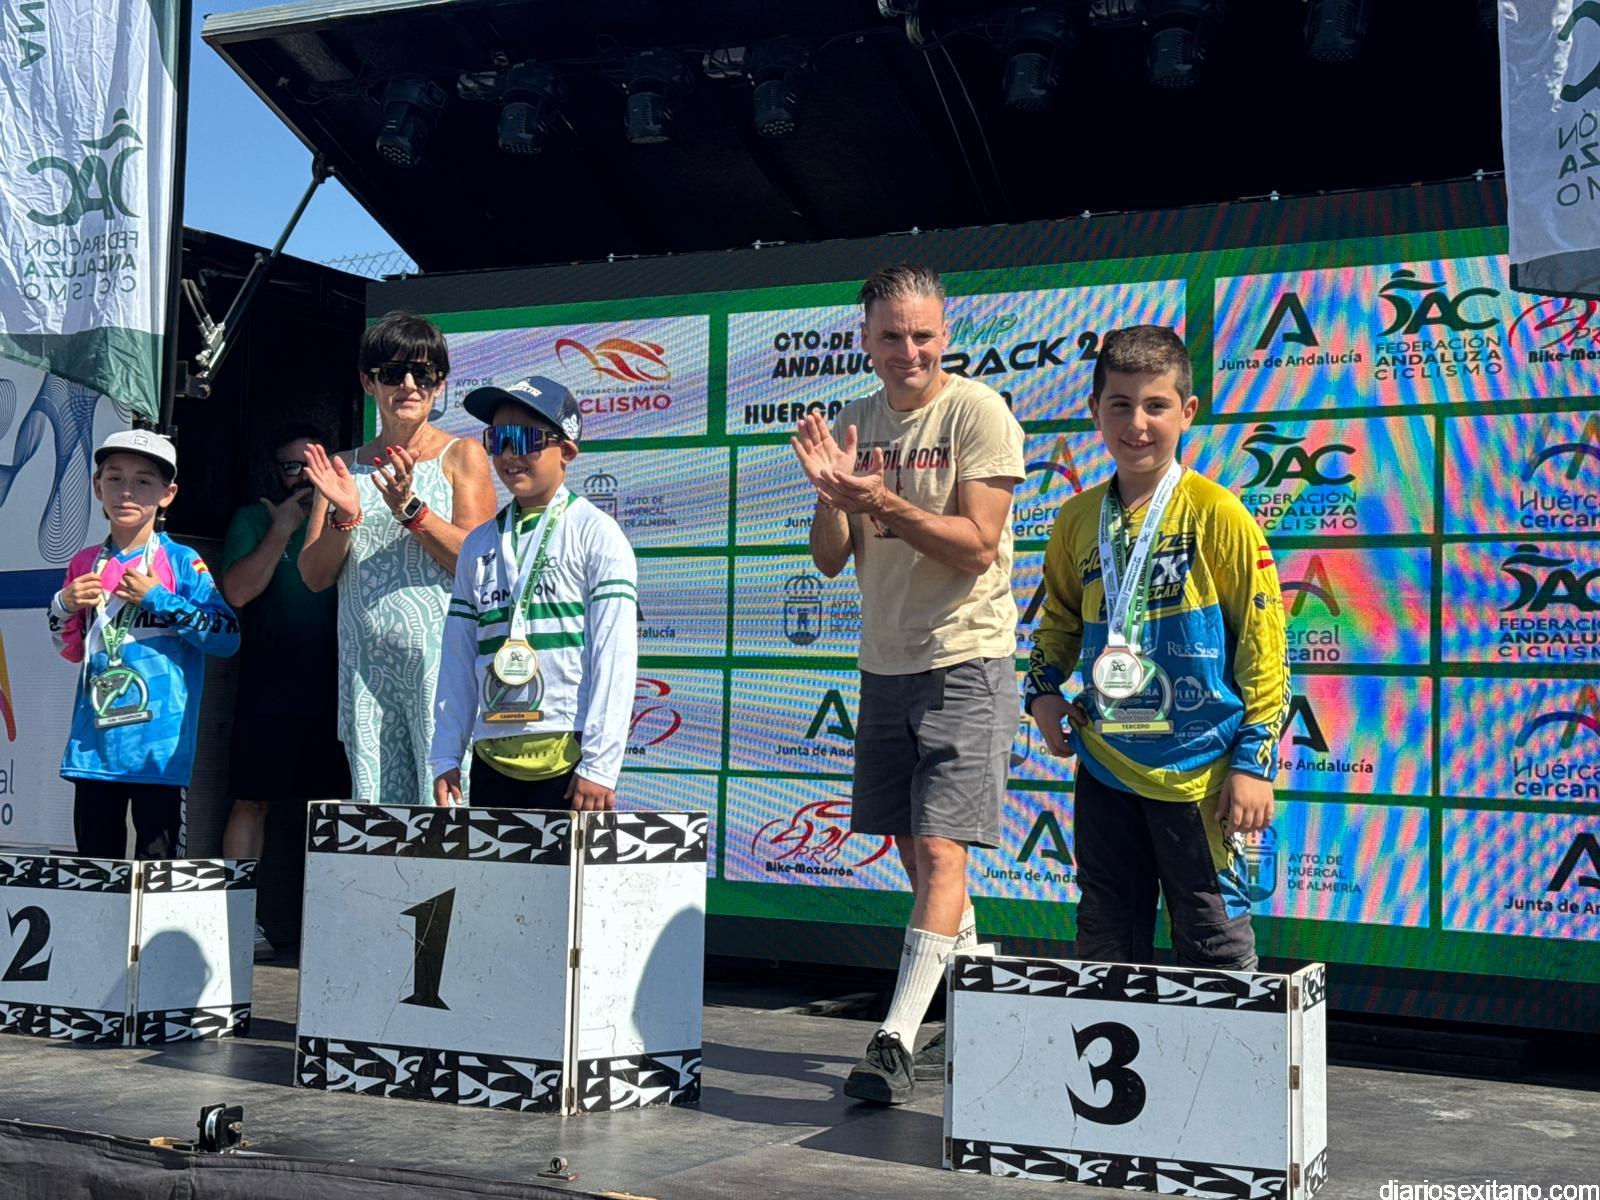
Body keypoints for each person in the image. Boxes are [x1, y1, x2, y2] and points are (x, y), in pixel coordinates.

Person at [790, 264, 1024, 1106]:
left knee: (940, 850)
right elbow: (828, 560)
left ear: (945, 334)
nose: (909, 351)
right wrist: (831, 496)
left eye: (923, 334)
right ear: (866, 339)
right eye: (891, 335)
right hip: (883, 665)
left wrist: (880, 500)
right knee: (917, 856)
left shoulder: (978, 412)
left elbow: (978, 546)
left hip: (967, 658)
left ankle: (894, 1039)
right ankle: (984, 998)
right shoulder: (856, 420)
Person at [1024, 324, 1290, 976]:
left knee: (1213, 941)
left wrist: (1254, 762)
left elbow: (1265, 647)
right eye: (1120, 405)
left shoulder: (1218, 513)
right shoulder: (1076, 519)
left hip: (1200, 773)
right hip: (1106, 764)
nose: (1137, 424)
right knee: (1106, 938)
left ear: (1187, 412)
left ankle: (1225, 1052)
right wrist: (1041, 693)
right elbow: (1058, 620)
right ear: (1095, 410)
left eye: (1156, 405)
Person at [299, 312, 497, 804]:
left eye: (423, 374)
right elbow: (315, 576)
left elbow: (477, 563)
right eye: (392, 373)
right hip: (367, 675)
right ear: (369, 382)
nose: (408, 385)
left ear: (439, 384)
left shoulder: (462, 455)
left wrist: (410, 510)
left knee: (445, 821)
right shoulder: (343, 467)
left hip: (443, 674)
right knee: (377, 825)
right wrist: (345, 516)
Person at [429, 377, 638, 811]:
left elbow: (615, 655)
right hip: (492, 757)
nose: (509, 454)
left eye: (525, 439)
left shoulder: (597, 533)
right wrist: (447, 754)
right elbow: (458, 657)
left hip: (570, 758)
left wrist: (600, 765)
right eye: (498, 439)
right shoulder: (478, 544)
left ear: (567, 450)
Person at [48, 430, 240, 858]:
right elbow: (71, 650)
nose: (127, 491)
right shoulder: (84, 563)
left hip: (160, 752)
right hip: (94, 751)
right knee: (96, 876)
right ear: (97, 486)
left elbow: (227, 638)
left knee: (158, 878)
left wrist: (159, 599)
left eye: (143, 481)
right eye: (115, 478)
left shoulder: (182, 561)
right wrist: (62, 605)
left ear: (168, 494)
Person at [219, 423, 350, 959]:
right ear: (276, 472)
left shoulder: (352, 516)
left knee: (334, 809)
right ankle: (237, 918)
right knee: (252, 801)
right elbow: (237, 593)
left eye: (314, 463)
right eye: (293, 466)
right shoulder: (254, 519)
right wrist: (281, 531)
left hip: (341, 687)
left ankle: (335, 923)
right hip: (269, 685)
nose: (304, 476)